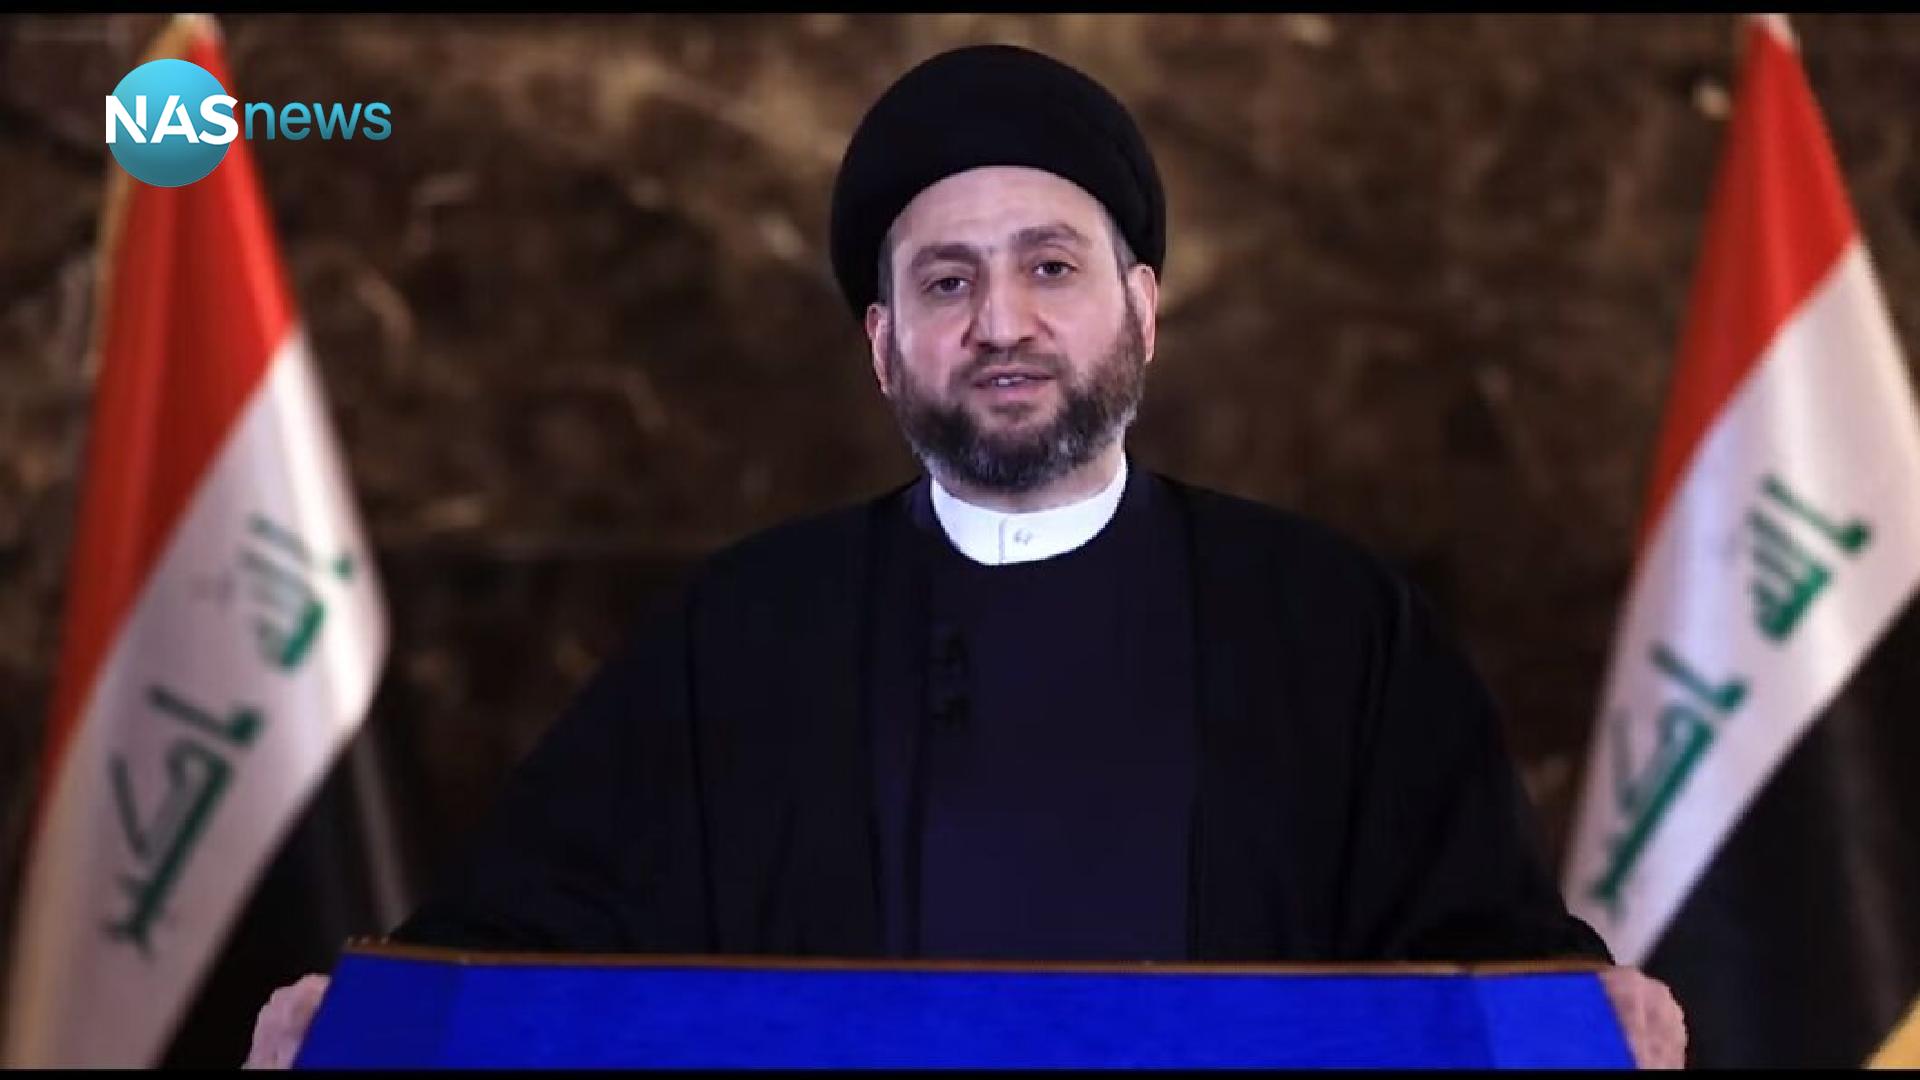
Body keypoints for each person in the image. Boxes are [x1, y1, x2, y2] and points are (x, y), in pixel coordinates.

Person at [246, 42, 1685, 1067]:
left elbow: (1472, 943)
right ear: (884, 346)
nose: (1002, 322)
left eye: (1050, 266)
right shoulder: (744, 634)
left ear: (1142, 309)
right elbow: (529, 942)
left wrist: (1586, 1003)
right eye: (948, 281)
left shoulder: (1329, 623)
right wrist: (362, 1016)